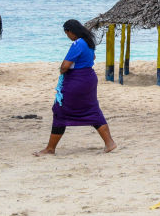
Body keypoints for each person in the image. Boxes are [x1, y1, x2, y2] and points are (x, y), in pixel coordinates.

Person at [34, 19, 117, 156]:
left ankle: (50, 148)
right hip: (89, 78)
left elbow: (65, 66)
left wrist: (62, 71)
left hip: (77, 80)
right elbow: (93, 57)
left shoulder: (78, 44)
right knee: (92, 109)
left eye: (67, 33)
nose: (68, 36)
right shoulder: (89, 42)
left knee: (61, 110)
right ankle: (110, 143)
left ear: (71, 31)